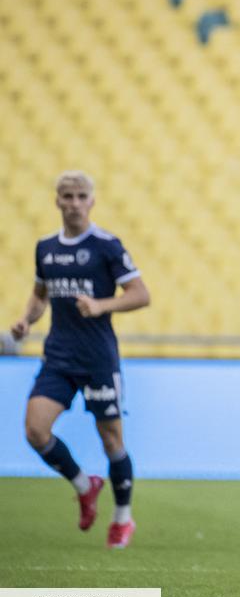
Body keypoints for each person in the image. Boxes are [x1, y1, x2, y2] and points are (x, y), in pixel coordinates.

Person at [10, 171, 151, 549]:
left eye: (81, 196)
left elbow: (140, 294)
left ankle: (123, 518)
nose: (74, 203)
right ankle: (83, 484)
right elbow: (41, 294)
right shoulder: (46, 248)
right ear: (57, 201)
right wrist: (27, 319)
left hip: (97, 358)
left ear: (92, 201)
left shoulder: (106, 245)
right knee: (35, 431)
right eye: (67, 196)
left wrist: (101, 304)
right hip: (58, 355)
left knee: (111, 441)